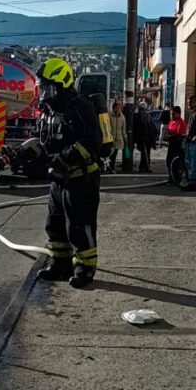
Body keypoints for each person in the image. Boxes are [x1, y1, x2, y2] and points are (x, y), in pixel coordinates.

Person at [34, 57, 103, 289]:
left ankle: (85, 266)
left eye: (49, 88)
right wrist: (20, 154)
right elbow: (44, 143)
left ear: (62, 83)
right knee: (54, 223)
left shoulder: (79, 106)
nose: (45, 94)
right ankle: (61, 264)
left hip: (81, 178)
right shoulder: (49, 111)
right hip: (59, 179)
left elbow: (92, 139)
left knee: (79, 224)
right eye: (42, 89)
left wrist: (66, 157)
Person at [164, 106, 187, 183]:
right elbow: (168, 132)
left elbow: (180, 135)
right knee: (168, 161)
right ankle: (171, 178)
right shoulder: (171, 122)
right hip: (171, 145)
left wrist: (172, 136)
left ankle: (176, 179)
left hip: (178, 146)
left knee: (176, 163)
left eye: (173, 114)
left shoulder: (181, 122)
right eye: (170, 114)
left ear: (178, 114)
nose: (171, 116)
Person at [133, 101, 157, 173]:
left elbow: (151, 127)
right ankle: (144, 167)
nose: (142, 111)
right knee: (145, 153)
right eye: (141, 109)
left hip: (147, 138)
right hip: (143, 138)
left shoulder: (146, 116)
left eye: (143, 109)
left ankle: (145, 167)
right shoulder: (138, 116)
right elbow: (136, 128)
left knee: (146, 153)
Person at [107, 100, 126, 173]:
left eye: (119, 108)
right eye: (117, 108)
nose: (118, 110)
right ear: (113, 108)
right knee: (109, 154)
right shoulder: (109, 115)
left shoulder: (122, 117)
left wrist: (125, 139)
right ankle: (108, 167)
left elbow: (123, 130)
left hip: (118, 139)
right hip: (110, 138)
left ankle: (111, 168)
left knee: (114, 155)